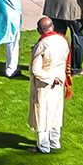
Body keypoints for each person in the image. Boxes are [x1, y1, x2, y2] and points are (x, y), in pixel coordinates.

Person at [28, 16, 70, 154]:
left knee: (43, 114)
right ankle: (54, 141)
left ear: (39, 30)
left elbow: (36, 70)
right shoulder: (62, 40)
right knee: (56, 112)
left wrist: (51, 78)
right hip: (60, 81)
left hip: (45, 84)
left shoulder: (43, 44)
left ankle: (44, 146)